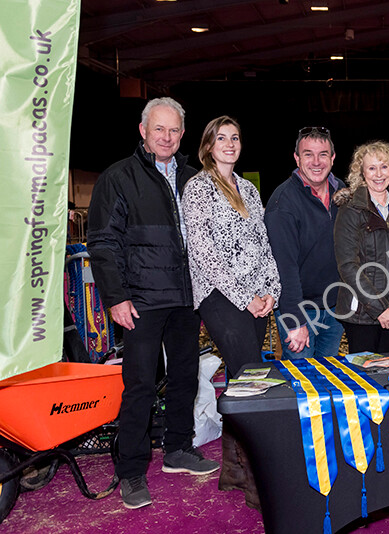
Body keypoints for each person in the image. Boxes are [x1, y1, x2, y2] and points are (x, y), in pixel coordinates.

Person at [87, 97, 219, 511]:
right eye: (159, 129)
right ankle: (131, 471)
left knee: (185, 374)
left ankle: (178, 448)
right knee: (140, 385)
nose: (166, 137)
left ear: (183, 134)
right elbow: (103, 242)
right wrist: (116, 297)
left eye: (174, 130)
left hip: (185, 297)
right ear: (142, 131)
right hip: (140, 301)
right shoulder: (118, 178)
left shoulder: (195, 179)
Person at [182, 116, 281, 378]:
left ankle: (236, 419)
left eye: (234, 138)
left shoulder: (248, 189)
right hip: (220, 294)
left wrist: (271, 290)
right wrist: (244, 298)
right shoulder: (198, 188)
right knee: (249, 372)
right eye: (221, 138)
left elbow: (264, 243)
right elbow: (203, 252)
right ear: (208, 147)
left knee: (247, 376)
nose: (229, 144)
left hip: (256, 294)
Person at [265, 126, 345, 358]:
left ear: (332, 158)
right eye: (308, 154)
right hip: (300, 312)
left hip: (334, 309)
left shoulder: (343, 193)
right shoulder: (283, 203)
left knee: (328, 376)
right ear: (297, 158)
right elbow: (284, 267)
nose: (316, 162)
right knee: (303, 384)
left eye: (323, 154)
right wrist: (295, 321)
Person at [333, 141, 389, 353]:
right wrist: (380, 309)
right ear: (362, 173)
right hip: (362, 315)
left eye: (384, 166)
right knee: (365, 380)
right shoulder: (350, 210)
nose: (378, 174)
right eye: (371, 168)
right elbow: (348, 266)